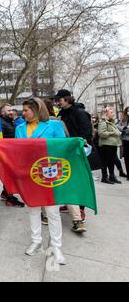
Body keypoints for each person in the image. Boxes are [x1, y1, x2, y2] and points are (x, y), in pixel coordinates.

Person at [15, 98, 66, 265]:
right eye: (22, 110)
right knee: (33, 209)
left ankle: (57, 247)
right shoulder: (19, 128)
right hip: (29, 174)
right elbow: (17, 151)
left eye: (26, 110)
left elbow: (63, 149)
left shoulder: (55, 125)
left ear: (36, 110)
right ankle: (36, 241)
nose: (23, 114)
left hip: (50, 174)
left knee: (52, 212)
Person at [43, 99, 86, 233]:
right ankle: (77, 220)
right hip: (61, 159)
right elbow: (67, 139)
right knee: (66, 187)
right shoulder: (59, 122)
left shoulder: (45, 124)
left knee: (46, 187)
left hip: (47, 161)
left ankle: (45, 216)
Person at [54, 89, 93, 221]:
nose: (58, 103)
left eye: (59, 100)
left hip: (79, 152)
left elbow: (86, 133)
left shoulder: (80, 112)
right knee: (68, 179)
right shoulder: (62, 113)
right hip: (67, 151)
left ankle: (81, 209)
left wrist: (78, 144)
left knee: (80, 181)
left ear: (67, 99)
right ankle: (69, 203)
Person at [0, 104, 25, 207]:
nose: (11, 112)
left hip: (12, 153)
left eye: (11, 110)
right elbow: (1, 140)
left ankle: (5, 193)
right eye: (8, 110)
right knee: (10, 176)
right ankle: (10, 198)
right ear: (2, 113)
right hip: (7, 154)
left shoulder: (10, 122)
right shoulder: (2, 123)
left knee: (9, 175)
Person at [98, 106, 122, 184]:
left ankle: (112, 176)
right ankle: (104, 177)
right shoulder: (103, 122)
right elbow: (101, 133)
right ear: (106, 113)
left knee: (111, 162)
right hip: (106, 145)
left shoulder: (111, 122)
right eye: (111, 112)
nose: (113, 114)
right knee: (105, 162)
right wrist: (113, 133)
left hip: (112, 145)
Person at [117, 106, 129, 181]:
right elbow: (118, 126)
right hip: (125, 141)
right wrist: (125, 128)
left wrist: (126, 130)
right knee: (127, 159)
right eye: (128, 110)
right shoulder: (124, 119)